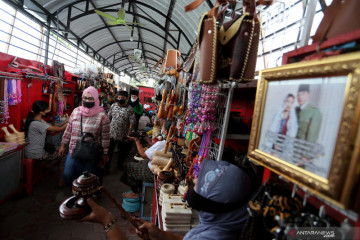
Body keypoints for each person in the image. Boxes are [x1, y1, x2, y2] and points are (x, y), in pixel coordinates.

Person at [59, 86, 110, 186]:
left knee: (88, 179)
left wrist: (105, 153)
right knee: (67, 175)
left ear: (96, 99)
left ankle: (87, 197)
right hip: (74, 150)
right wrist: (63, 144)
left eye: (90, 98)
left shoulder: (102, 116)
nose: (87, 100)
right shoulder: (76, 111)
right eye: (85, 98)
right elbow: (69, 129)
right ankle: (76, 193)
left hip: (91, 152)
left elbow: (105, 137)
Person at [121, 120, 172, 199]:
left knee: (129, 166)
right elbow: (158, 148)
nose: (161, 128)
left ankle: (135, 192)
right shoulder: (168, 142)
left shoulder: (162, 143)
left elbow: (143, 155)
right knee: (136, 163)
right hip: (156, 166)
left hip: (153, 171)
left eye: (162, 127)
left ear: (165, 132)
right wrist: (148, 141)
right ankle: (139, 188)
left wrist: (136, 141)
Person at [24, 100, 68, 187]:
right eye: (47, 109)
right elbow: (60, 129)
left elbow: (54, 126)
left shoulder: (39, 121)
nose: (49, 111)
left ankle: (47, 165)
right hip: (35, 153)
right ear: (41, 112)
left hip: (36, 150)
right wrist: (70, 122)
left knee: (60, 148)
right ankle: (60, 181)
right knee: (64, 154)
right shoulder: (36, 124)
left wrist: (66, 121)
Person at [107, 90, 136, 171]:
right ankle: (106, 167)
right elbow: (109, 117)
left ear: (126, 98)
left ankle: (119, 165)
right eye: (119, 97)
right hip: (112, 132)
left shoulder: (130, 109)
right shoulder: (113, 106)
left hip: (123, 134)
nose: (120, 99)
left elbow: (132, 121)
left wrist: (130, 131)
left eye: (122, 97)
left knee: (122, 152)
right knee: (109, 151)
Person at [295, 84, 322, 162]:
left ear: (308, 95)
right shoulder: (295, 110)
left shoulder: (314, 112)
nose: (300, 97)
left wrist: (306, 156)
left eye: (303, 94)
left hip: (300, 153)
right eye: (298, 94)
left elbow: (312, 136)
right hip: (290, 149)